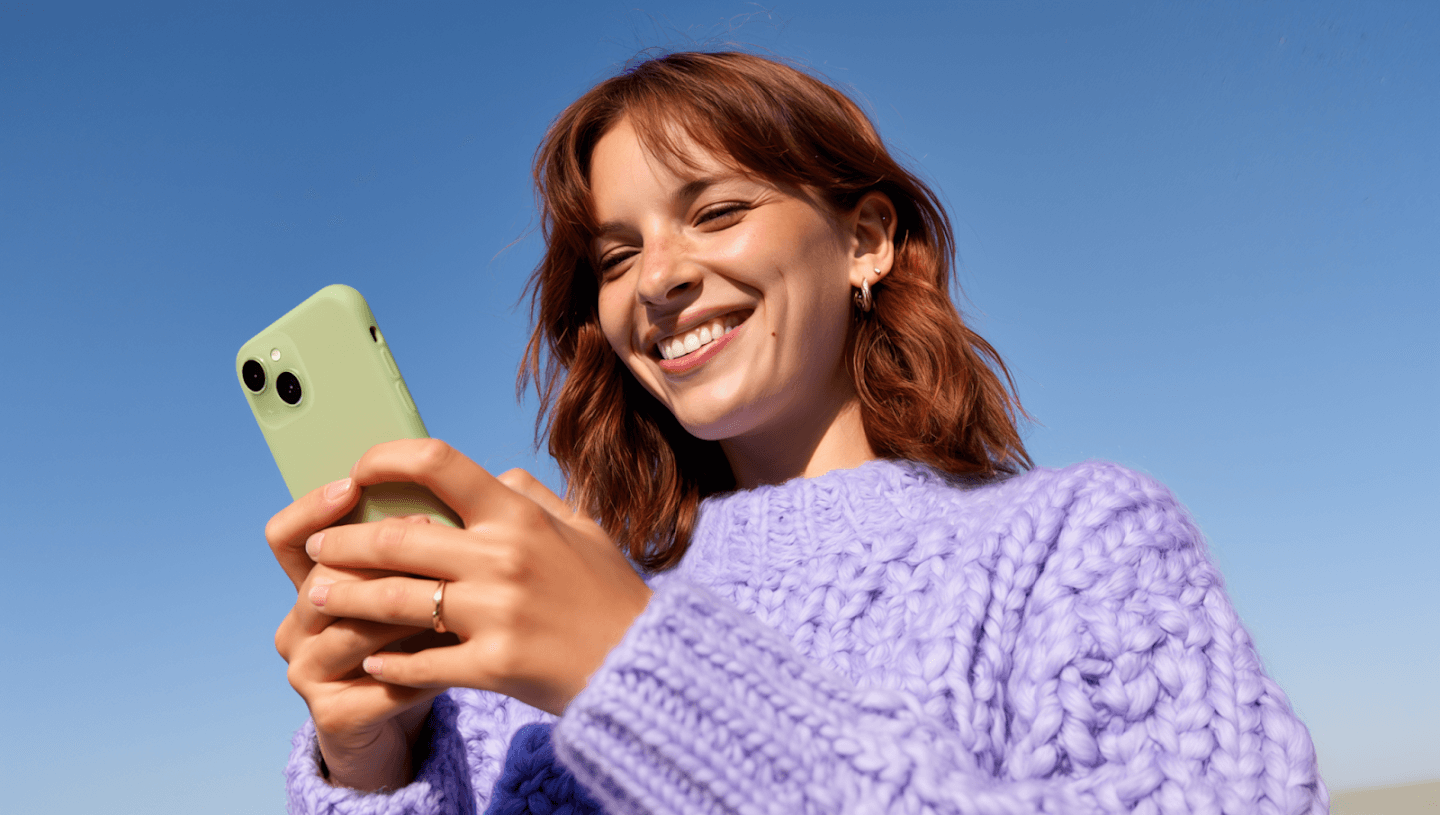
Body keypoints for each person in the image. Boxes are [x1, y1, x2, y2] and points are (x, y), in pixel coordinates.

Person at [267, 51, 1328, 814]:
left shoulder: (1076, 542)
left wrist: (638, 672)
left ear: (864, 240)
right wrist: (373, 766)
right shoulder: (526, 632)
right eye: (617, 253)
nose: (663, 277)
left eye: (717, 212)